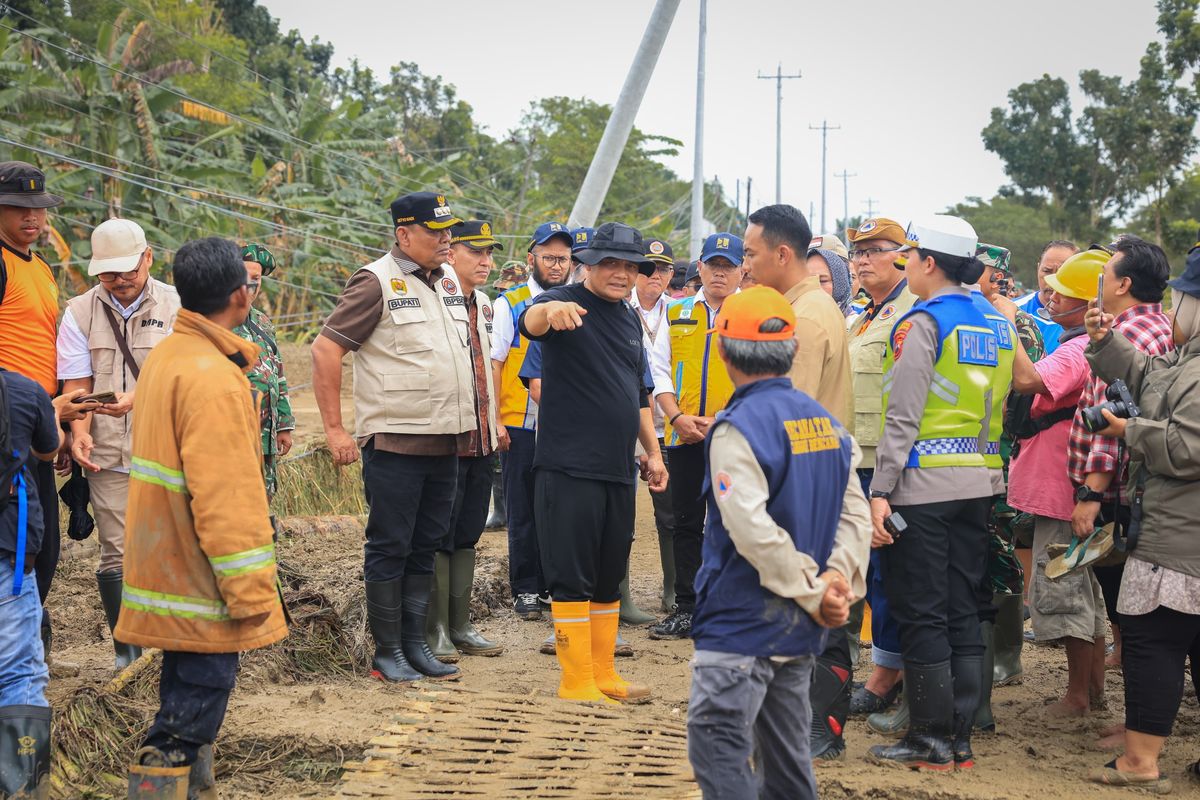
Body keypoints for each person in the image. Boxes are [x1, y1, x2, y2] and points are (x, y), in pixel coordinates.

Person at [117, 237, 288, 798]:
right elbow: (227, 498)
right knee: (188, 716)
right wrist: (251, 590)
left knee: (183, 687)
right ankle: (161, 784)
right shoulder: (213, 379)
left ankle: (192, 787)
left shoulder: (169, 353)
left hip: (164, 561)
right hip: (201, 573)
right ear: (241, 296)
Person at [686, 286, 870, 799]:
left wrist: (815, 590)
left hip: (743, 620)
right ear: (790, 352)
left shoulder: (736, 428)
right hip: (799, 629)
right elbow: (854, 512)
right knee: (787, 760)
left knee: (716, 743)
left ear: (722, 352)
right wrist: (837, 580)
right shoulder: (829, 426)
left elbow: (751, 531)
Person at [312, 191, 474, 683]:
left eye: (449, 229)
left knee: (426, 544)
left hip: (446, 439)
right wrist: (336, 428)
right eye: (435, 230)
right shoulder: (375, 281)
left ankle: (415, 646)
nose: (447, 239)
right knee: (391, 545)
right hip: (396, 442)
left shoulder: (446, 280)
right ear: (404, 234)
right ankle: (387, 654)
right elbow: (324, 351)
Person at [867, 216, 997, 771]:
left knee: (922, 613)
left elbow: (902, 417)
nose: (906, 266)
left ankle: (931, 742)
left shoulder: (923, 322)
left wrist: (880, 489)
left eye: (910, 258)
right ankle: (960, 740)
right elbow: (1020, 389)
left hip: (922, 488)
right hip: (981, 484)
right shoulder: (995, 321)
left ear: (929, 263)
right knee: (964, 610)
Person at [518, 222, 667, 703]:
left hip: (618, 469)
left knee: (607, 573)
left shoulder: (626, 318)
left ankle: (604, 672)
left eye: (630, 266)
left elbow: (639, 395)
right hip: (569, 467)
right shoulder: (561, 302)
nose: (622, 274)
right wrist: (551, 309)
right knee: (572, 574)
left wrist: (654, 453)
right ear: (588, 264)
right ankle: (575, 679)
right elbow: (532, 322)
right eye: (611, 264)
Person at [1080, 247, 1200, 793]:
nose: (1172, 309)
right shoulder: (1185, 359)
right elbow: (1150, 376)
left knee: (1153, 639)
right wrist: (1105, 341)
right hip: (1180, 534)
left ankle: (1140, 763)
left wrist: (1125, 433)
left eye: (1180, 299)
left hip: (1180, 538)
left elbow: (1186, 447)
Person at [57, 218, 181, 670]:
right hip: (107, 452)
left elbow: (190, 375)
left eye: (128, 270)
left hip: (168, 447)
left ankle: (172, 642)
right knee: (117, 548)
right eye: (109, 274)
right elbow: (77, 384)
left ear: (148, 258)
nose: (120, 281)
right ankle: (128, 652)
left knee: (170, 544)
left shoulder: (177, 305)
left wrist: (139, 398)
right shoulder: (79, 311)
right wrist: (81, 433)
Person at [1000, 249, 1108, 717]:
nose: (1050, 294)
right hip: (1067, 488)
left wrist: (1007, 319)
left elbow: (1026, 380)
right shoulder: (1084, 342)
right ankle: (1094, 692)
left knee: (1062, 591)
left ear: (1084, 303)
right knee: (1085, 593)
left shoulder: (1077, 347)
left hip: (1061, 491)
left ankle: (1077, 698)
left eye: (1063, 290)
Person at [1068, 236, 1172, 686]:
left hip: (1120, 491)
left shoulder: (1125, 336)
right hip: (1152, 483)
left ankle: (1138, 714)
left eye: (1104, 273)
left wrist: (1091, 493)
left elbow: (1112, 423)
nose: (1098, 281)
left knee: (1126, 603)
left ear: (1123, 283)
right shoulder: (1162, 326)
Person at [649, 232, 742, 641]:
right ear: (699, 267)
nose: (719, 273)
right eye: (712, 264)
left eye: (728, 266)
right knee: (685, 522)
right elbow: (658, 371)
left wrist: (723, 418)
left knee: (733, 524)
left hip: (735, 439)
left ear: (742, 271)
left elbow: (763, 374)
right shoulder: (676, 312)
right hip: (682, 435)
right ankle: (686, 607)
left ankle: (727, 608)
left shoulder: (751, 314)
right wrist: (678, 417)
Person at [840, 218, 916, 721]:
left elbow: (908, 401)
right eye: (858, 252)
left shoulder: (912, 313)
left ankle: (888, 675)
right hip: (856, 456)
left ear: (904, 256)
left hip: (888, 462)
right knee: (869, 570)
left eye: (876, 250)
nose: (864, 260)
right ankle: (886, 666)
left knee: (891, 572)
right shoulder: (863, 315)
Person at [427, 220, 506, 662]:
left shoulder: (485, 303)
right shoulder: (435, 295)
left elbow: (485, 369)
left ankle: (460, 624)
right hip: (446, 436)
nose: (486, 262)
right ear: (450, 251)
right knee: (439, 533)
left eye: (489, 254)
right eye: (476, 252)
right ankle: (435, 628)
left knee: (468, 532)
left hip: (481, 435)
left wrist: (494, 425)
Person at [0, 162, 67, 658]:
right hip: (9, 425)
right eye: (19, 208)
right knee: (21, 541)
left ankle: (28, 637)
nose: (32, 218)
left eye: (38, 209)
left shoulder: (40, 267)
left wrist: (64, 410)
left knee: (44, 544)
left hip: (42, 417)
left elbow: (46, 343)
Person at [490, 222, 573, 621]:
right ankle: (525, 588)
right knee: (521, 509)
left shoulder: (577, 301)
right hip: (520, 422)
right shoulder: (511, 303)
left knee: (558, 508)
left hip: (564, 427)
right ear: (531, 259)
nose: (556, 266)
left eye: (563, 258)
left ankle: (554, 586)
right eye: (549, 258)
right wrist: (495, 421)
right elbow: (496, 361)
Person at [0, 370, 73, 799]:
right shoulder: (23, 391)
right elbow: (48, 450)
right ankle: (22, 788)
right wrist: (55, 410)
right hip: (7, 554)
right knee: (19, 674)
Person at [743, 204, 853, 427]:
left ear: (782, 254)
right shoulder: (810, 305)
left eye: (751, 254)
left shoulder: (803, 318)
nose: (745, 266)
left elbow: (788, 418)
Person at [630, 236, 676, 621]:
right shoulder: (618, 308)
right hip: (627, 423)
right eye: (647, 268)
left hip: (668, 426)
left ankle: (672, 588)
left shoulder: (680, 312)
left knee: (670, 512)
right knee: (619, 512)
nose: (654, 275)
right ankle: (618, 592)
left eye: (663, 269)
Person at [234, 243, 294, 502]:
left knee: (261, 502)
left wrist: (284, 425)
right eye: (244, 276)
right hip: (233, 437)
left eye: (256, 278)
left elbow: (277, 373)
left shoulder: (262, 322)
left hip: (265, 436)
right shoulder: (216, 319)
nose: (251, 284)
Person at [1016, 240, 1079, 354]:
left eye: (1061, 272)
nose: (1052, 281)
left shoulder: (1087, 320)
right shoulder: (1013, 310)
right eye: (1047, 271)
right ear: (1038, 269)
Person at [806, 233, 854, 314]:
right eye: (807, 281)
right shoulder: (794, 319)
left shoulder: (857, 324)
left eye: (823, 281)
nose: (814, 288)